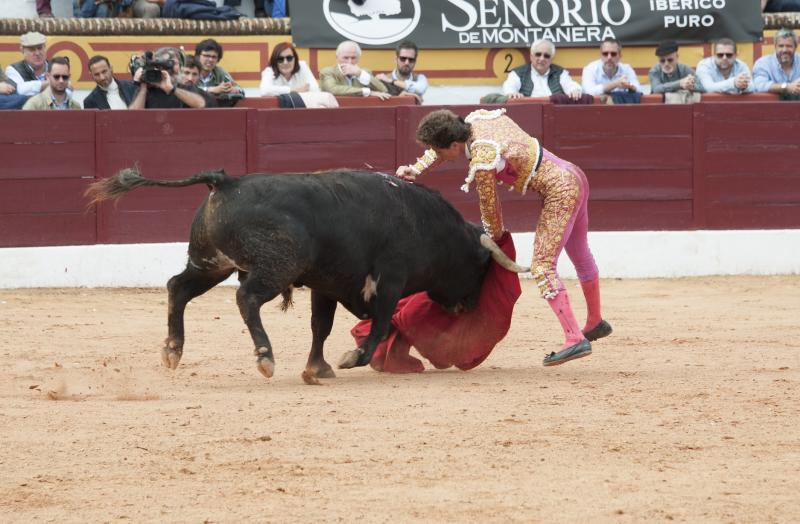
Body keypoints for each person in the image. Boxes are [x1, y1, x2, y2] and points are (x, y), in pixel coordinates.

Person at [395, 109, 612, 367]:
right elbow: (443, 145)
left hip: (560, 191)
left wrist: (495, 240)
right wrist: (416, 169)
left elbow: (490, 206)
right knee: (580, 253)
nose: (442, 157)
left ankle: (575, 337)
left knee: (542, 266)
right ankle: (595, 321)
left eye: (441, 152)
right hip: (574, 175)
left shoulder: (483, 157)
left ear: (454, 144)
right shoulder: (476, 120)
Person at [493, 39, 590, 104]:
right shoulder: (518, 73)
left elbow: (571, 85)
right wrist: (512, 93)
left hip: (555, 114)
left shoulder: (560, 73)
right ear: (531, 56)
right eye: (538, 54)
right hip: (529, 113)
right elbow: (509, 87)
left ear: (551, 59)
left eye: (546, 56)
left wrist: (575, 90)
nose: (542, 58)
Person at [259, 42, 338, 108]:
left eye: (289, 58)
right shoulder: (269, 71)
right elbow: (264, 91)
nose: (285, 62)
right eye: (280, 59)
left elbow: (315, 89)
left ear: (295, 59)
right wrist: (293, 90)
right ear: (275, 61)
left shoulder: (302, 66)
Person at [128, 47, 207, 109]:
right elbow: (132, 115)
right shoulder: (147, 89)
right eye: (163, 62)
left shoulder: (187, 87)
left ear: (180, 67)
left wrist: (172, 89)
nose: (169, 67)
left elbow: (200, 104)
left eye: (174, 63)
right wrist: (143, 88)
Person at [319, 40, 391, 100]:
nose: (349, 62)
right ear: (337, 58)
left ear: (358, 58)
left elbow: (383, 90)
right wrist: (367, 92)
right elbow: (333, 89)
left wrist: (360, 74)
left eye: (353, 58)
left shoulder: (365, 72)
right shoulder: (328, 72)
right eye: (345, 58)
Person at [582, 38, 641, 103]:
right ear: (600, 55)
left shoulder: (626, 68)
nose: (609, 57)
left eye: (613, 54)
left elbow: (638, 89)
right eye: (605, 53)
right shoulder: (590, 69)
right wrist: (615, 84)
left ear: (620, 56)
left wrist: (629, 86)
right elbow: (589, 92)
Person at [194, 39, 245, 107]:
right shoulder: (191, 70)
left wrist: (234, 90)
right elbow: (186, 90)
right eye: (206, 56)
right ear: (197, 56)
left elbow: (241, 91)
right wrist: (212, 89)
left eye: (214, 57)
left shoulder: (219, 72)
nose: (210, 60)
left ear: (218, 60)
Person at [753, 28, 800, 100]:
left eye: (789, 46)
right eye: (781, 46)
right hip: (771, 108)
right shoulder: (763, 63)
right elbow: (759, 85)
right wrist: (786, 87)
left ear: (795, 47)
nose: (784, 50)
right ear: (775, 46)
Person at [5, 32, 49, 100]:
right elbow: (20, 90)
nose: (37, 53)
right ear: (22, 51)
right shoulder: (13, 69)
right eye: (32, 49)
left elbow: (68, 88)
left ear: (45, 48)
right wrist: (49, 83)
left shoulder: (55, 66)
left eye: (40, 48)